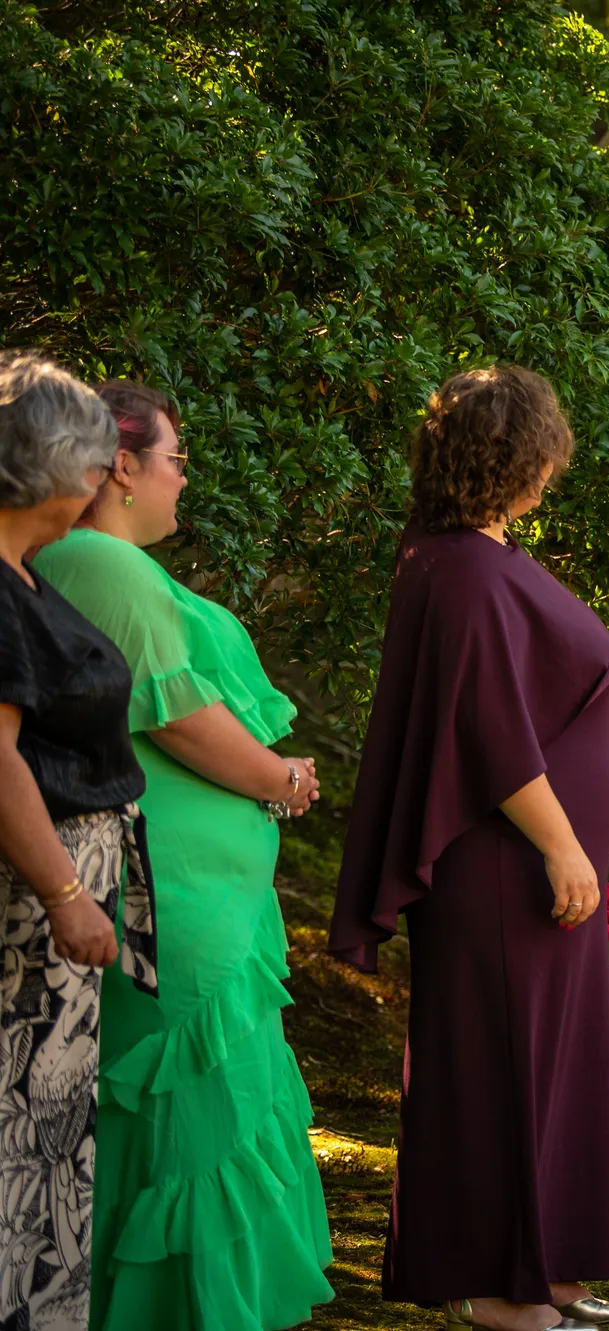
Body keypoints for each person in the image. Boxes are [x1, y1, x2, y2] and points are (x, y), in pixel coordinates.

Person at [330, 367, 609, 1331]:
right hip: (508, 866)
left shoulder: (465, 555)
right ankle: (506, 1296)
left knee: (557, 1066)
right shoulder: (459, 567)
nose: (553, 470)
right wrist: (563, 846)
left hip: (531, 867)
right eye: (546, 453)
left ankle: (556, 1271)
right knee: (502, 1069)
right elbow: (491, 732)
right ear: (521, 456)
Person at [33, 379, 335, 1331]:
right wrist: (282, 780)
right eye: (175, 460)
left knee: (210, 1111)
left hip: (205, 893)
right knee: (190, 1118)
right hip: (176, 902)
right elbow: (182, 718)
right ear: (121, 467)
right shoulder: (97, 559)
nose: (183, 480)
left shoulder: (107, 564)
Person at [0, 351, 153, 1331]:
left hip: (56, 916)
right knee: (19, 1142)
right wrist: (64, 890)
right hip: (29, 918)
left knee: (50, 1142)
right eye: (94, 462)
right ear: (54, 469)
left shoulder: (19, 573)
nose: (102, 482)